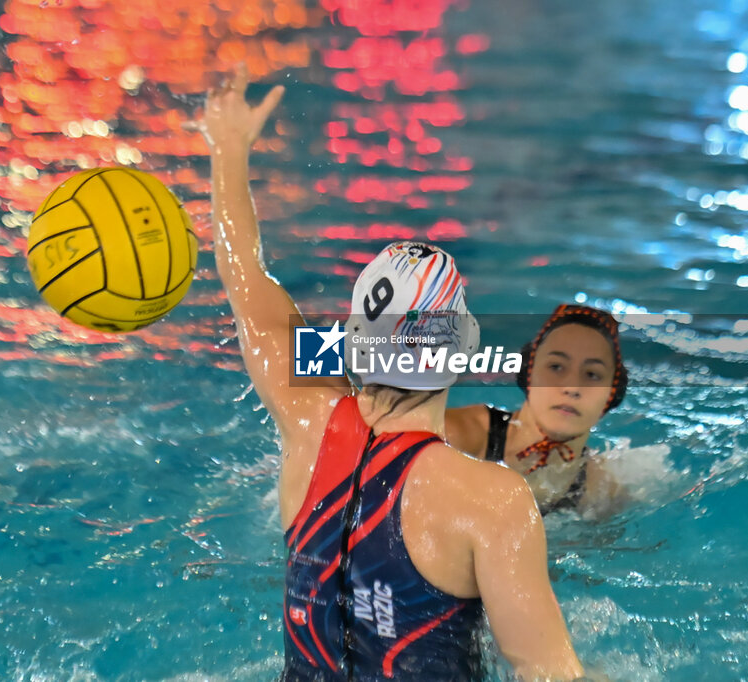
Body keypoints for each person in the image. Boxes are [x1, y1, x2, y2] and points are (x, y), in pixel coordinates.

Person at [186, 64, 590, 681]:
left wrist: (228, 148)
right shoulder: (492, 500)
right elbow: (551, 673)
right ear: (460, 352)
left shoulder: (305, 421)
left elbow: (246, 279)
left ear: (352, 340)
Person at [446, 305, 630, 518]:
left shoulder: (602, 492)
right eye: (556, 367)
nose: (572, 387)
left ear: (612, 395)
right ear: (529, 372)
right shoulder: (456, 438)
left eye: (592, 374)